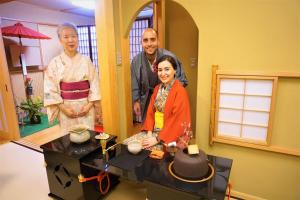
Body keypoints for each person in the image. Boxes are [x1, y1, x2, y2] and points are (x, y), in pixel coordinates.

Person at [44, 22, 101, 133]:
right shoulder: (55, 63)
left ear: (77, 38)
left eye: (73, 36)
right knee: (68, 137)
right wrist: (63, 108)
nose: (70, 40)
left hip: (86, 106)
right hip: (66, 107)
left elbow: (95, 83)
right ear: (60, 40)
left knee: (88, 135)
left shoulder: (86, 60)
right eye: (66, 37)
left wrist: (89, 105)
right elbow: (49, 89)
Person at [131, 28, 188, 122]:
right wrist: (136, 100)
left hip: (168, 98)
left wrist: (173, 96)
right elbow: (134, 81)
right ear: (141, 42)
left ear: (158, 41)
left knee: (168, 126)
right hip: (147, 99)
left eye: (152, 39)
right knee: (148, 125)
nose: (149, 44)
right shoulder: (136, 61)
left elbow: (181, 80)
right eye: (145, 40)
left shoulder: (170, 57)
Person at [141, 55, 192, 150]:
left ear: (175, 70)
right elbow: (150, 112)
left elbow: (177, 119)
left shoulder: (180, 91)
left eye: (167, 69)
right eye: (160, 70)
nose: (163, 73)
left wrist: (157, 138)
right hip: (154, 131)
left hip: (171, 134)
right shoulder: (157, 88)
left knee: (163, 159)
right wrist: (149, 132)